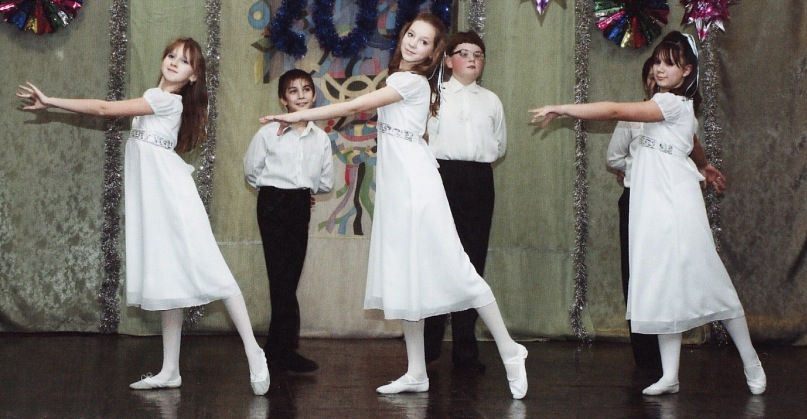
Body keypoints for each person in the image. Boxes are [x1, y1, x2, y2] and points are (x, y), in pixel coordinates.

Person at [259, 13, 528, 399]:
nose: (413, 43)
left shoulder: (410, 81)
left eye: (424, 41)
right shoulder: (404, 77)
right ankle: (417, 372)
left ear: (433, 53)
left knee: (460, 270)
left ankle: (510, 348)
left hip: (418, 187)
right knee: (408, 275)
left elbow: (355, 104)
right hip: (399, 187)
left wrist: (297, 114)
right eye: (411, 35)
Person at [17, 38, 270, 396]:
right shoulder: (156, 96)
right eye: (171, 55)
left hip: (174, 198)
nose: (174, 62)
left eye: (184, 61)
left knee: (214, 271)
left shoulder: (163, 99)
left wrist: (51, 101)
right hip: (158, 200)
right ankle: (170, 371)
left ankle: (254, 352)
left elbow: (104, 108)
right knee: (169, 279)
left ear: (193, 76)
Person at [530, 31, 765, 396]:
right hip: (652, 202)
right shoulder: (671, 106)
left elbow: (612, 110)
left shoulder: (671, 103)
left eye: (669, 63)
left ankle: (751, 361)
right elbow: (692, 141)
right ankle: (670, 375)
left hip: (675, 200)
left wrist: (562, 108)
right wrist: (704, 165)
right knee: (661, 283)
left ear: (687, 71)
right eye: (657, 61)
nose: (659, 68)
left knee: (710, 279)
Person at [606, 56, 727, 375]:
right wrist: (636, 170)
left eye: (662, 72)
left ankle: (670, 357)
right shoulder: (633, 119)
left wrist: (703, 166)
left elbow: (691, 143)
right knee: (638, 275)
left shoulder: (679, 112)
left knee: (670, 272)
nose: (656, 79)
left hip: (668, 202)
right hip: (637, 200)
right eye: (651, 76)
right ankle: (646, 357)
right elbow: (614, 157)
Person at [423, 30, 506, 374]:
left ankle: (465, 349)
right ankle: (427, 347)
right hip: (443, 178)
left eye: (478, 54)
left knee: (472, 262)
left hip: (479, 180)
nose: (472, 59)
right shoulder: (434, 96)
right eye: (464, 53)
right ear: (448, 60)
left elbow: (499, 144)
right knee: (437, 260)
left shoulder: (491, 100)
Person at [243, 69, 334, 373]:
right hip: (272, 202)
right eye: (293, 91)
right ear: (283, 99)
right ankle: (282, 349)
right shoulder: (268, 133)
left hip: (299, 203)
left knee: (289, 278)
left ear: (314, 95)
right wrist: (276, 191)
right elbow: (251, 170)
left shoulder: (321, 138)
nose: (301, 95)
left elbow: (325, 181)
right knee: (279, 277)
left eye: (306, 89)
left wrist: (302, 191)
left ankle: (278, 349)